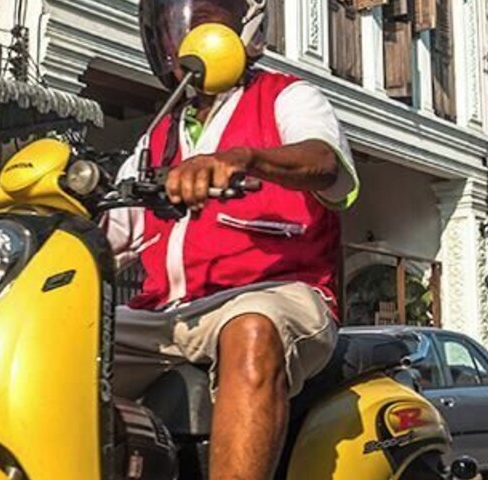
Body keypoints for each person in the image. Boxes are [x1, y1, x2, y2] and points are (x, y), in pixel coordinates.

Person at [105, 1, 359, 478]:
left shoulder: (288, 96)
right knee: (67, 338)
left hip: (277, 294)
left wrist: (245, 158)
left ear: (246, 25)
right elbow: (114, 230)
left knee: (252, 326)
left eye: (202, 20)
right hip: (167, 314)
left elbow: (323, 162)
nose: (182, 38)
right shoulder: (159, 133)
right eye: (172, 25)